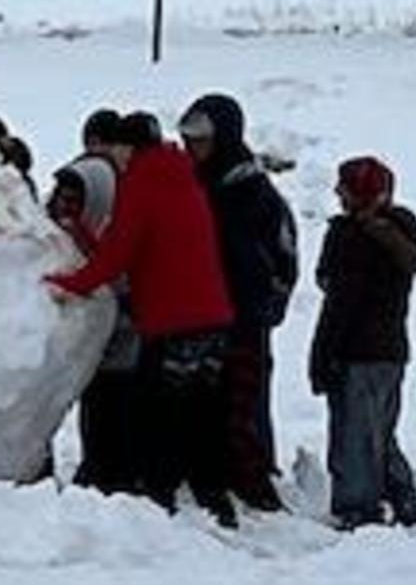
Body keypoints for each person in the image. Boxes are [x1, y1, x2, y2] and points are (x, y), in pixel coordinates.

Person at [46, 112, 262, 527]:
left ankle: (157, 502)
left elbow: (118, 254)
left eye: (117, 151)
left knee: (156, 412)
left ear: (128, 149)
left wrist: (71, 283)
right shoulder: (182, 177)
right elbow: (136, 245)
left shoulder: (142, 184)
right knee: (203, 413)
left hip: (172, 322)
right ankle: (214, 499)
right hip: (213, 318)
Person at [178, 94, 298, 498]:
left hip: (244, 316)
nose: (192, 148)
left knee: (245, 403)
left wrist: (263, 304)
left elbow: (280, 258)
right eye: (188, 139)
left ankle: (255, 479)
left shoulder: (252, 192)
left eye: (201, 139)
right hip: (202, 314)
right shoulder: (194, 185)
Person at [309, 157, 416, 529]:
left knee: (353, 433)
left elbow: (340, 302)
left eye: (344, 187)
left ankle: (358, 508)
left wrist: (322, 353)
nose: (337, 193)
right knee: (379, 427)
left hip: (354, 350)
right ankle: (400, 492)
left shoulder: (350, 239)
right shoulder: (401, 232)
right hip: (390, 348)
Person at [47, 154, 140, 493]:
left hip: (123, 346)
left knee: (114, 411)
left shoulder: (117, 229)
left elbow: (121, 282)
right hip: (79, 350)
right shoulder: (53, 231)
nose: (63, 207)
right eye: (61, 197)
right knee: (92, 412)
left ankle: (116, 478)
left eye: (74, 200)